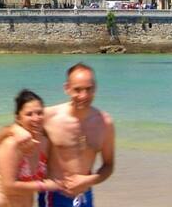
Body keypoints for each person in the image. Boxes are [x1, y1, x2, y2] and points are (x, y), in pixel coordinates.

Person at [39, 63, 116, 207]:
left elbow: (109, 165)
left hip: (85, 197)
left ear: (95, 89)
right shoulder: (48, 117)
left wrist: (89, 180)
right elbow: (13, 135)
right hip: (54, 196)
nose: (83, 96)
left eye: (88, 89)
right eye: (77, 90)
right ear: (67, 88)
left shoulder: (105, 123)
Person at [0, 89, 61, 207]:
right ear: (18, 118)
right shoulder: (12, 144)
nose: (36, 118)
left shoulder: (45, 142)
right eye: (29, 114)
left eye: (39, 113)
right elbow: (9, 186)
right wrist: (45, 186)